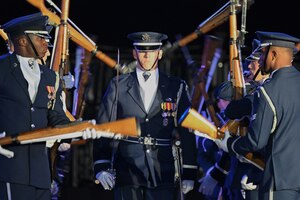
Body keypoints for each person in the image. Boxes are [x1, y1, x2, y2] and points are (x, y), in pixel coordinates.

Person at [0, 13, 96, 200]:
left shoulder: (50, 77)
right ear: (22, 41)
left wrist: (80, 129)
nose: (46, 42)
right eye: (40, 37)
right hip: (8, 170)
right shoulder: (2, 69)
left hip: (40, 174)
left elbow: (57, 118)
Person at [93, 31, 198, 200]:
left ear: (160, 53)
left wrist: (189, 170)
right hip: (127, 170)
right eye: (142, 50)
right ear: (135, 53)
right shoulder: (118, 85)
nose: (147, 55)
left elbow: (187, 130)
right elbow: (104, 127)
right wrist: (101, 165)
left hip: (162, 169)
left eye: (152, 50)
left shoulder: (175, 86)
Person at [215, 31, 300, 200]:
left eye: (262, 54)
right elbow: (227, 100)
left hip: (275, 180)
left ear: (273, 55)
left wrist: (229, 144)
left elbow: (256, 140)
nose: (259, 61)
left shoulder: (266, 92)